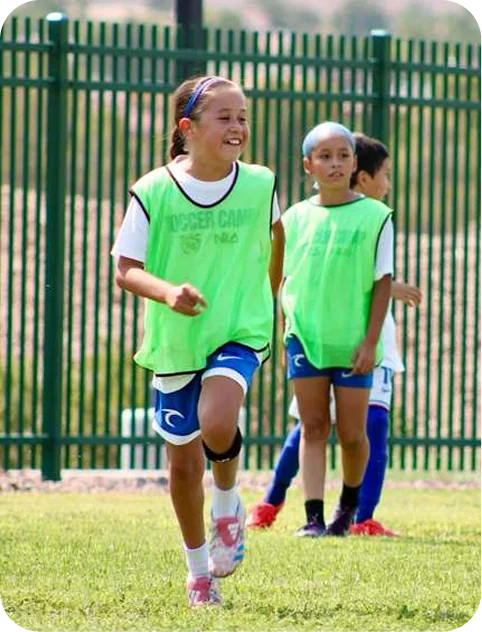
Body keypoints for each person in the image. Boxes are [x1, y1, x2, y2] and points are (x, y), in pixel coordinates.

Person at [111, 75, 284, 607]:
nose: (239, 127)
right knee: (184, 465)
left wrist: (265, 301)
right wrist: (169, 294)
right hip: (176, 338)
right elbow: (125, 270)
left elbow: (277, 238)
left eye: (243, 117)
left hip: (239, 329)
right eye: (226, 117)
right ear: (188, 128)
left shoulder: (261, 183)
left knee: (217, 419)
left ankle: (228, 506)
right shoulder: (153, 190)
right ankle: (198, 572)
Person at [247, 132, 421, 536]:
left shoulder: (376, 217)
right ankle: (312, 518)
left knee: (353, 434)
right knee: (312, 427)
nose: (336, 163)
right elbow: (276, 277)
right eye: (324, 156)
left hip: (354, 342)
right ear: (308, 165)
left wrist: (370, 340)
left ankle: (347, 508)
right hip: (305, 337)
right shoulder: (292, 219)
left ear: (354, 162)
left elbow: (381, 283)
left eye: (344, 155)